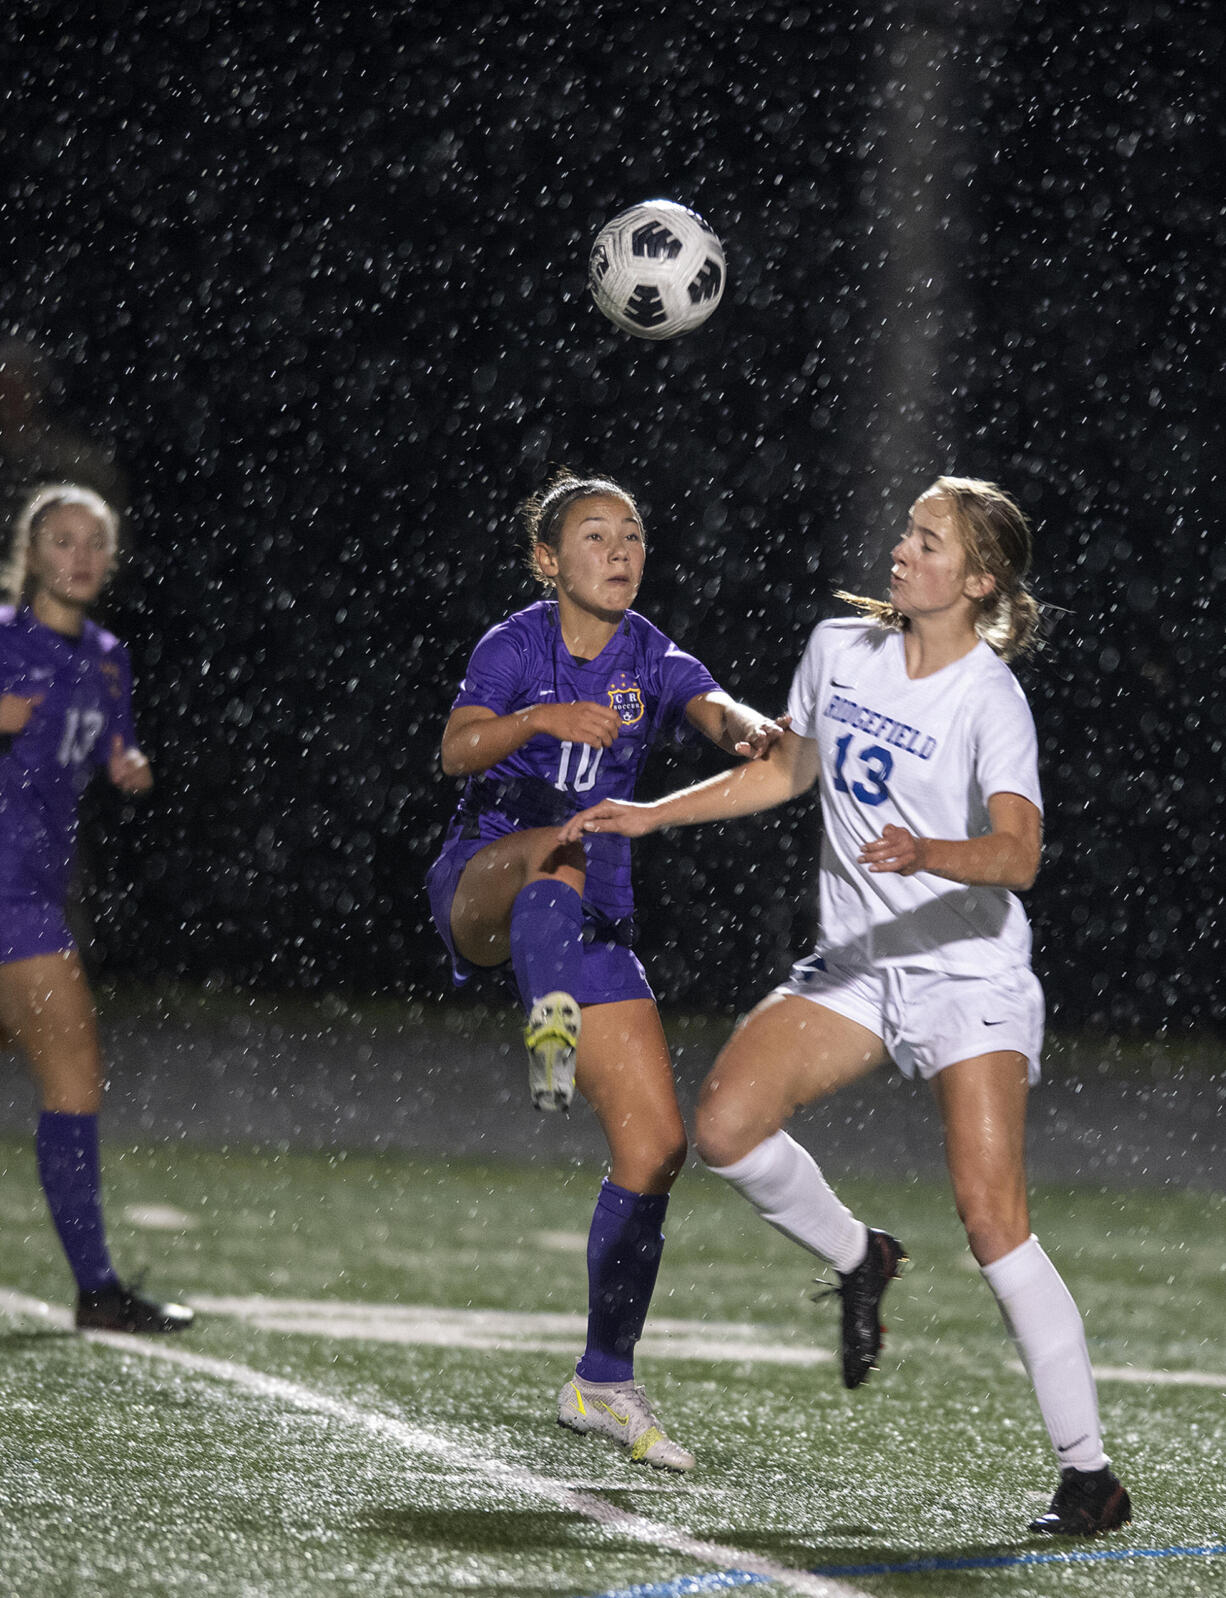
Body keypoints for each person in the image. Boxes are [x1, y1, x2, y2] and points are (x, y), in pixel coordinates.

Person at [560, 476, 1132, 1535]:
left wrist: (929, 852)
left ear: (976, 579)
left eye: (927, 541)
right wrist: (648, 815)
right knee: (724, 1128)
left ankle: (1087, 1475)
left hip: (967, 975)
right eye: (906, 531)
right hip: (860, 964)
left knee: (992, 1219)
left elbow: (1016, 855)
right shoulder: (840, 649)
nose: (902, 550)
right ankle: (858, 1254)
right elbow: (782, 774)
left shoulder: (987, 697)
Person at [427, 468, 785, 1472]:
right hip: (484, 883)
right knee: (553, 853)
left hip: (589, 916)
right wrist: (538, 721)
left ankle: (602, 1376)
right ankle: (547, 1027)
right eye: (594, 534)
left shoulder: (649, 653)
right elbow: (458, 751)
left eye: (631, 532)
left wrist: (750, 727)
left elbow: (711, 705)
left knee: (657, 1148)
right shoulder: (514, 644)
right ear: (548, 560)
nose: (620, 550)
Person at [0, 483, 192, 1334]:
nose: (80, 556)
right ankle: (97, 1290)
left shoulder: (108, 654)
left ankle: (98, 1289)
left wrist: (128, 762)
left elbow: (115, 739)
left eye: (95, 543)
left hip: (32, 891)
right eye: (63, 541)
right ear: (31, 553)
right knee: (73, 1078)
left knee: (74, 1080)